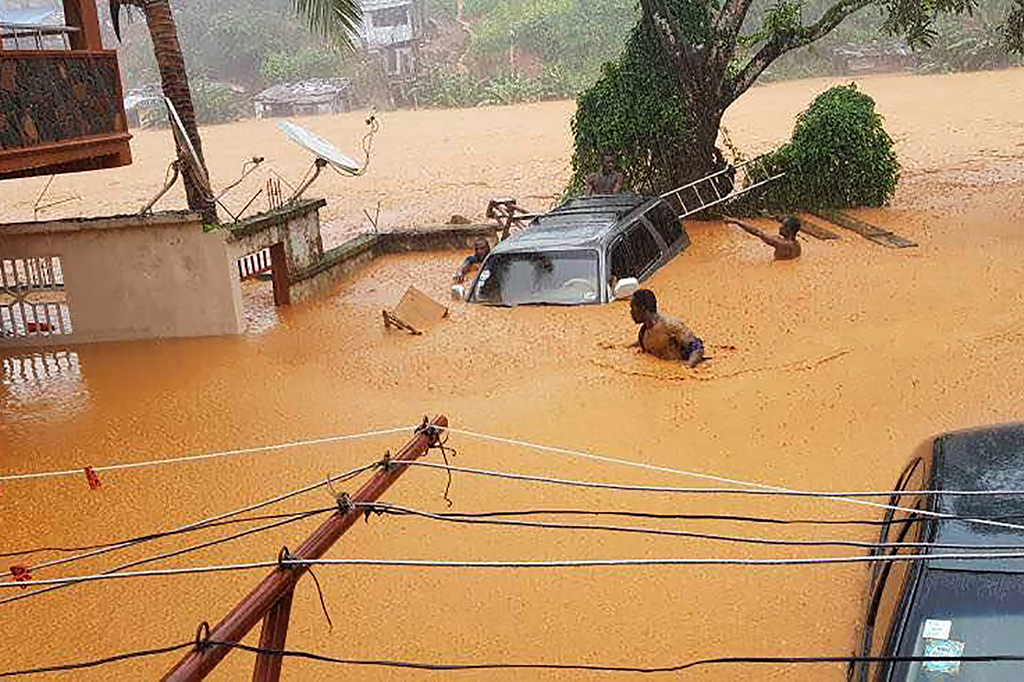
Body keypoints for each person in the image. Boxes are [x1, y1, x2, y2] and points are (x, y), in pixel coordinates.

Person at [629, 288, 704, 367]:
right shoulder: (644, 332)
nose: (631, 312)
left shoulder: (671, 326)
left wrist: (688, 366)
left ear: (642, 308)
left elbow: (697, 347)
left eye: (632, 308)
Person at [733, 216, 802, 261]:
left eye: (783, 225)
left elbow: (758, 232)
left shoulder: (782, 243)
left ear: (788, 229)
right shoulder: (797, 244)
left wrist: (736, 221)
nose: (780, 227)